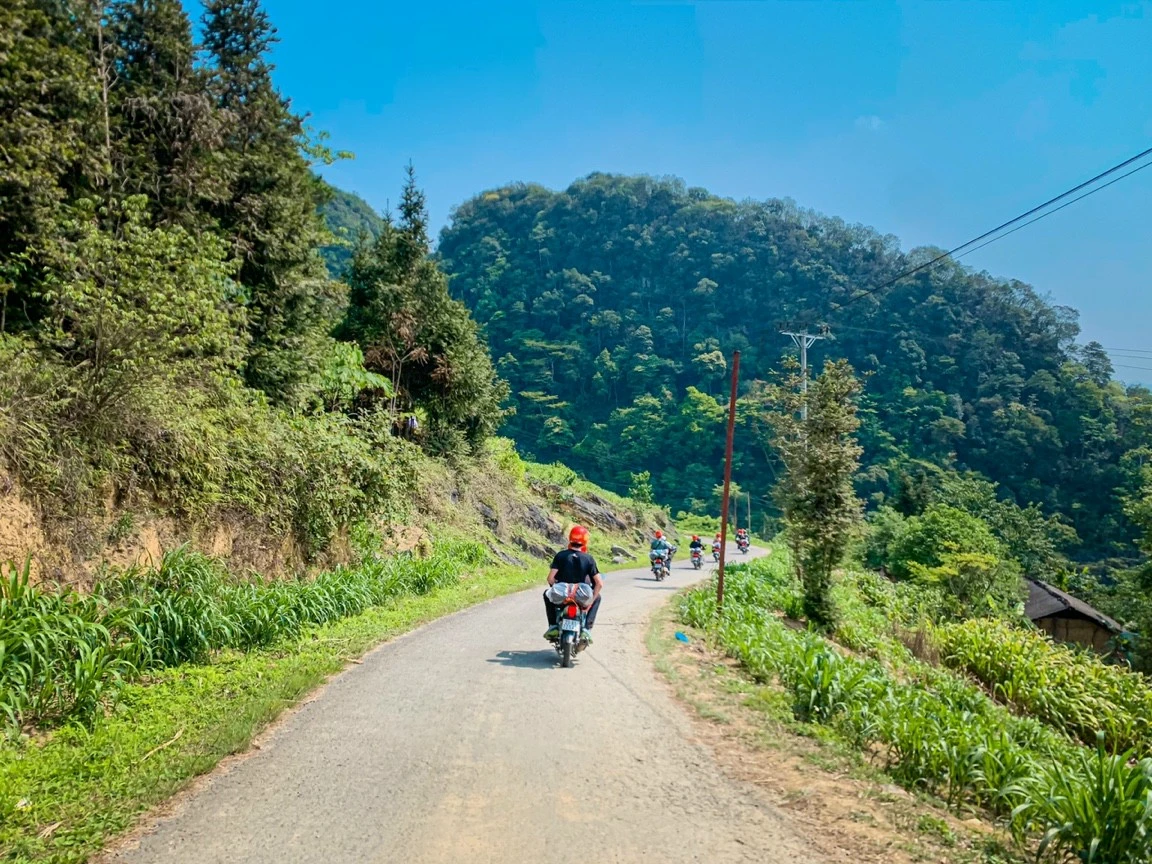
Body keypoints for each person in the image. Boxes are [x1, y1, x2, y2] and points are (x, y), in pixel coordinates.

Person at [544, 525, 603, 644]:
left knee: (546, 594)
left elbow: (550, 578)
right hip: (581, 596)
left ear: (570, 538)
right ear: (585, 540)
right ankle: (586, 628)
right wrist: (591, 600)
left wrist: (555, 587)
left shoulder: (560, 556)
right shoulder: (588, 559)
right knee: (598, 598)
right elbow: (599, 583)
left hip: (563, 595)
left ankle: (553, 625)